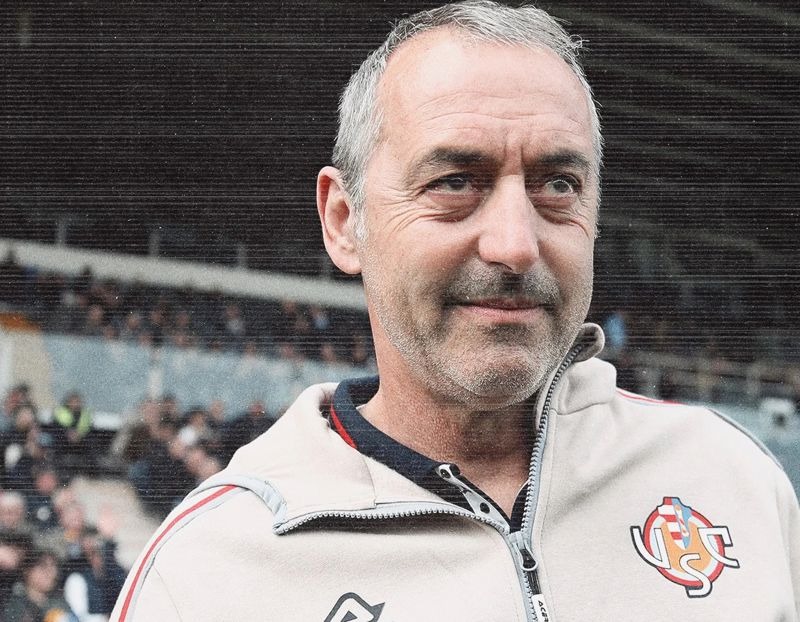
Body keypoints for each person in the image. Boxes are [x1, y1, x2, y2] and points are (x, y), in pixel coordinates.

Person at [112, 2, 800, 620]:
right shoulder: (207, 574)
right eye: (454, 182)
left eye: (558, 184)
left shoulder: (732, 478)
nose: (515, 244)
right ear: (345, 222)